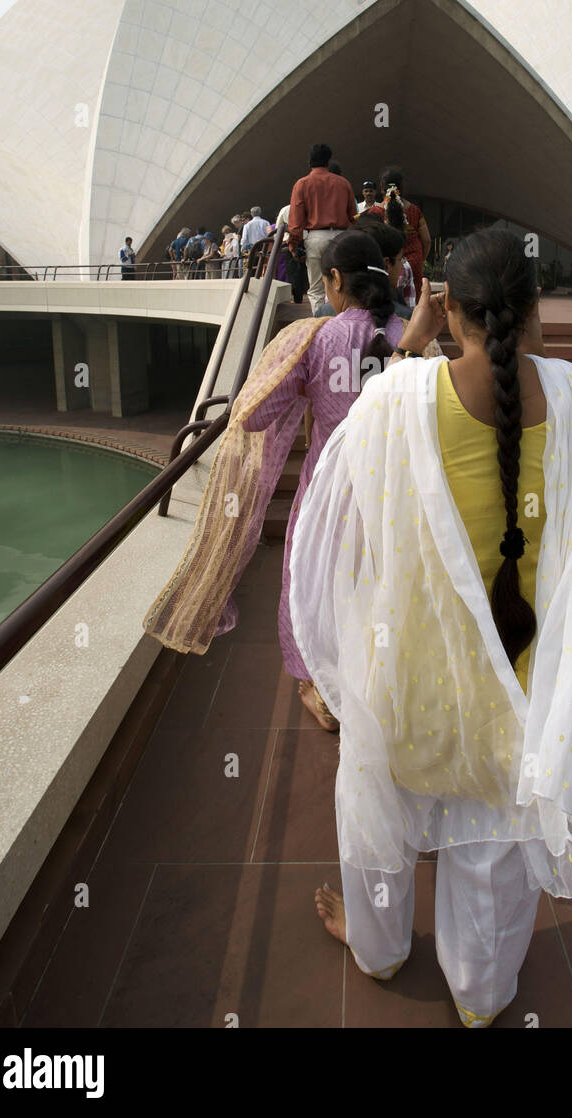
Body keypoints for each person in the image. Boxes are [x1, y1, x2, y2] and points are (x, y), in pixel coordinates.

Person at [290, 227, 572, 1027]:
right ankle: (478, 992)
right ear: (534, 310)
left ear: (453, 310)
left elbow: (348, 513)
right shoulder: (571, 396)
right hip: (519, 676)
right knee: (494, 847)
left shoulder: (399, 398)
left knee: (381, 812)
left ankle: (378, 949)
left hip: (411, 678)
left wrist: (411, 346)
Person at [143, 230, 409, 733]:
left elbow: (254, 415)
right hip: (392, 493)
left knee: (310, 582)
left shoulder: (314, 338)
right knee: (377, 582)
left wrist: (289, 377)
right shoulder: (412, 339)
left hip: (331, 488)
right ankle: (377, 681)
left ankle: (318, 690)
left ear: (334, 280)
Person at [287, 144, 356, 313]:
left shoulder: (302, 184)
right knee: (343, 284)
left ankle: (321, 324)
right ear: (328, 161)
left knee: (316, 288)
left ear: (309, 161)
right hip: (341, 238)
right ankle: (343, 320)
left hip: (316, 237)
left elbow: (296, 222)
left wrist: (294, 245)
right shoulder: (343, 183)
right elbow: (353, 217)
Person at [313, 216, 412, 320]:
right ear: (386, 265)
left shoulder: (323, 312)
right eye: (400, 259)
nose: (401, 266)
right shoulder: (406, 318)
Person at [374, 167, 431, 302]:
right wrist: (420, 260)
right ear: (402, 186)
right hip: (414, 262)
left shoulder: (376, 213)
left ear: (382, 186)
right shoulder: (414, 211)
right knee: (414, 300)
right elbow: (427, 240)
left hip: (387, 265)